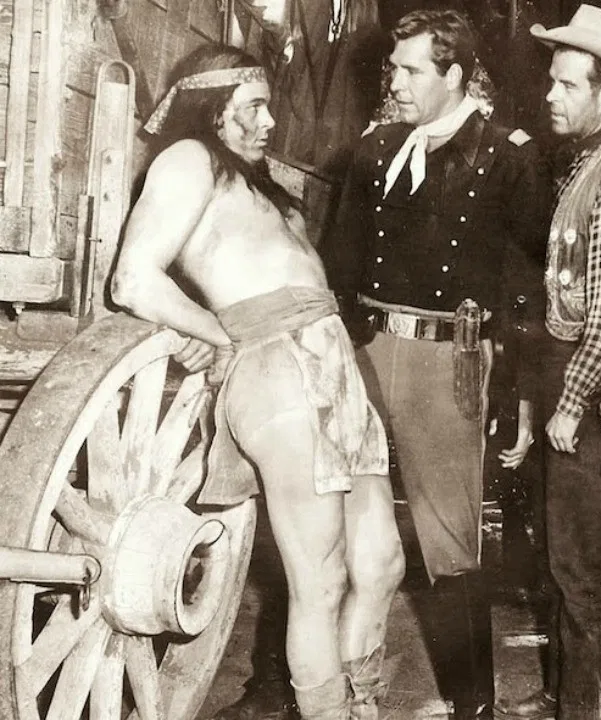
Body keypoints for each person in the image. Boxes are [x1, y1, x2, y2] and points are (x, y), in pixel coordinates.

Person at [111, 44, 406, 720]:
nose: (270, 121)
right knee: (321, 579)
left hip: (330, 363)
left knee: (382, 562)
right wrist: (218, 333)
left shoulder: (257, 183)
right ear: (210, 107)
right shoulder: (186, 160)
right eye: (254, 106)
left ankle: (360, 704)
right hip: (279, 367)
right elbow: (133, 279)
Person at [323, 9, 550, 719]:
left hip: (447, 361)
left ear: (455, 75)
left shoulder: (507, 157)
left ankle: (471, 705)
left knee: (450, 546)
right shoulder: (375, 148)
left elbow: (526, 289)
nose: (394, 83)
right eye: (392, 68)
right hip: (364, 350)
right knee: (329, 523)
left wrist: (517, 395)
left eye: (412, 70)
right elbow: (339, 260)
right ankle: (326, 689)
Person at [495, 6, 601, 720]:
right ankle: (566, 696)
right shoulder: (588, 162)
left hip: (587, 399)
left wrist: (569, 403)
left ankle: (582, 708)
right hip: (565, 383)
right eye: (552, 81)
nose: (551, 95)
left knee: (588, 573)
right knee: (563, 562)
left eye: (567, 85)